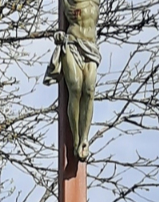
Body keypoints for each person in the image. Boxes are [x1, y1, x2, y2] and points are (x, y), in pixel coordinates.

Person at [43, 0, 100, 162]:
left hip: (90, 47)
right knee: (75, 87)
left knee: (89, 90)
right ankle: (76, 139)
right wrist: (59, 34)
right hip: (72, 43)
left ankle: (84, 138)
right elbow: (61, 25)